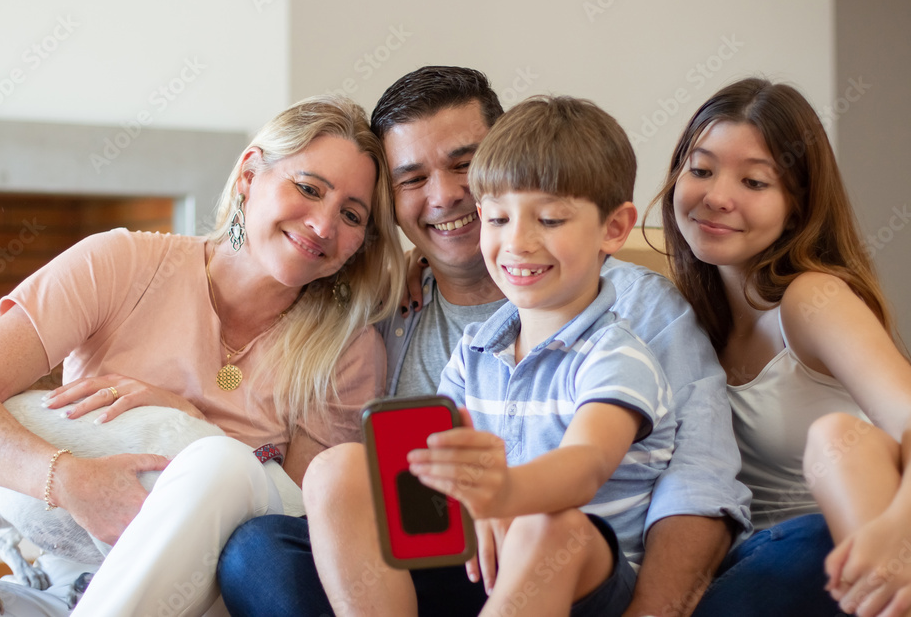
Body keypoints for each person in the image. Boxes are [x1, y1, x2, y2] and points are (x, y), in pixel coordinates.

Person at [217, 66, 750, 617]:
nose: (446, 197)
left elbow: (674, 476)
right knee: (273, 537)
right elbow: (245, 384)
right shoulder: (413, 320)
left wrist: (502, 492)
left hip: (576, 567)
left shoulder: (629, 326)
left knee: (549, 527)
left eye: (462, 167)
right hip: (462, 563)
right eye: (413, 179)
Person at [0, 95, 405, 616]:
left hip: (202, 595)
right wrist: (70, 479)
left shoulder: (347, 351)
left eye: (351, 215)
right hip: (70, 578)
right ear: (249, 175)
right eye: (308, 188)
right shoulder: (120, 262)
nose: (324, 226)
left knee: (219, 462)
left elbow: (296, 530)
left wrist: (189, 423)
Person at [310, 94, 682, 615]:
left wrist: (502, 492)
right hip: (479, 560)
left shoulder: (616, 355)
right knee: (337, 470)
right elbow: (438, 464)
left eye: (550, 220)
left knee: (548, 525)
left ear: (614, 229)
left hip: (583, 576)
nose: (518, 243)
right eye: (499, 219)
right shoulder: (475, 349)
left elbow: (584, 466)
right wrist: (458, 489)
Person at [647, 77, 911, 617]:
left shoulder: (810, 299)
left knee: (839, 438)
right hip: (744, 571)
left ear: (797, 206)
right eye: (700, 170)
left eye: (755, 181)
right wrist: (424, 264)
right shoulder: (678, 316)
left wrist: (895, 530)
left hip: (832, 551)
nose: (717, 196)